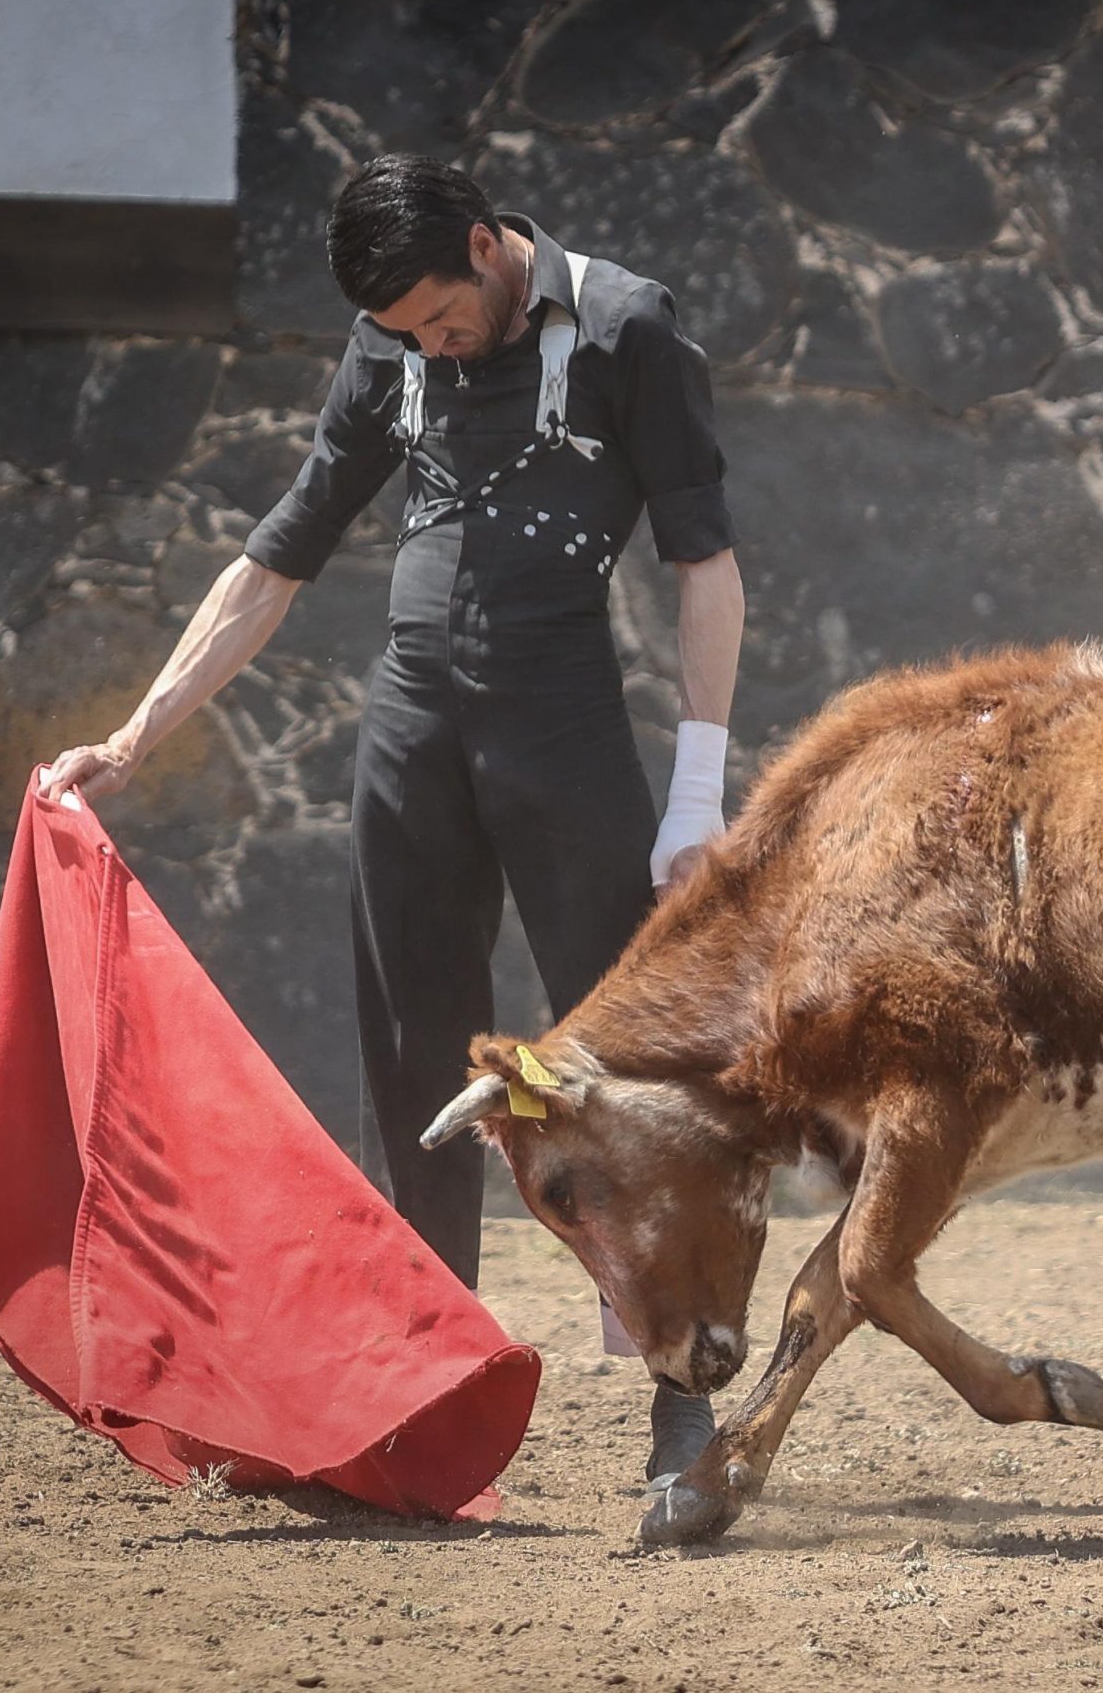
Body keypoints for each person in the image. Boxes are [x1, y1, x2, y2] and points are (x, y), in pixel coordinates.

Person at [44, 154, 743, 1486]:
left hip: (564, 728)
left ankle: (683, 1401)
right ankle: (414, 1391)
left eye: (436, 318)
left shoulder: (626, 325)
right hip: (412, 730)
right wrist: (133, 737)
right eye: (402, 333)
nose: (426, 346)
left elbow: (705, 563)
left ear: (485, 244)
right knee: (413, 1058)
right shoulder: (389, 346)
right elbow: (281, 553)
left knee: (624, 1066)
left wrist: (697, 796)